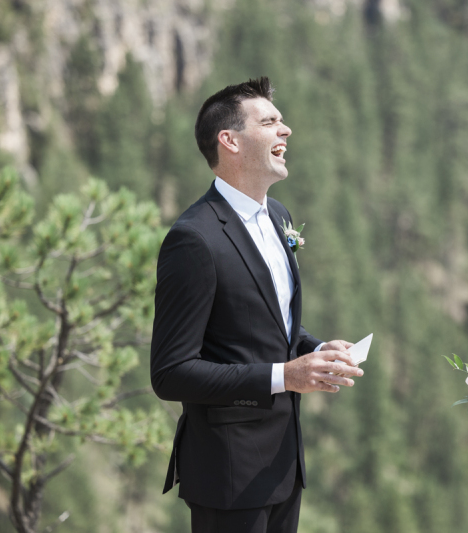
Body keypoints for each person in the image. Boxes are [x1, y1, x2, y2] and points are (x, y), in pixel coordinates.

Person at [150, 77, 363, 533]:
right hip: (227, 477)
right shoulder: (194, 239)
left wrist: (319, 348)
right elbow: (170, 373)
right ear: (229, 141)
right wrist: (285, 376)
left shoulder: (279, 216)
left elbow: (267, 322)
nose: (285, 131)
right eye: (269, 122)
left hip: (283, 468)